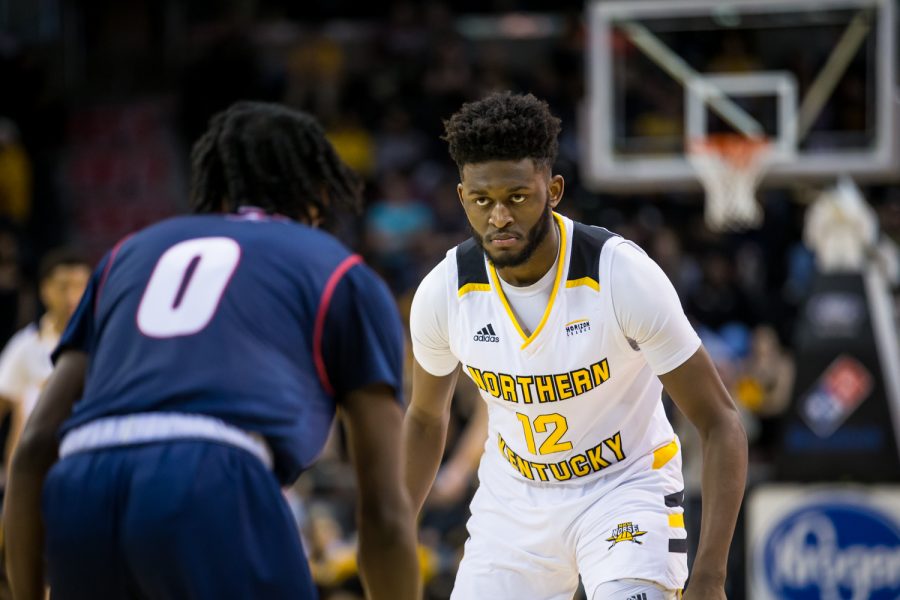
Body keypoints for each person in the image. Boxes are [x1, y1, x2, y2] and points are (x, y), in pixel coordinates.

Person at [4, 102, 419, 600]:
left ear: (213, 185)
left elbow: (34, 447)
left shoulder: (127, 253)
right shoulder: (338, 270)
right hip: (210, 477)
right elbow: (385, 512)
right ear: (321, 194)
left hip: (81, 482)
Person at [403, 91, 747, 600]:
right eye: (482, 201)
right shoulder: (443, 292)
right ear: (462, 198)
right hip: (512, 505)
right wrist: (395, 527)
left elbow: (721, 421)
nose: (499, 217)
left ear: (554, 189)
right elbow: (427, 419)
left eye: (516, 196)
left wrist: (711, 577)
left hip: (625, 488)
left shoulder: (620, 275)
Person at [0, 248, 90, 471]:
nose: (72, 296)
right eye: (63, 287)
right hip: (33, 472)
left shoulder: (105, 343)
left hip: (83, 463)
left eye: (80, 287)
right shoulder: (26, 345)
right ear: (45, 290)